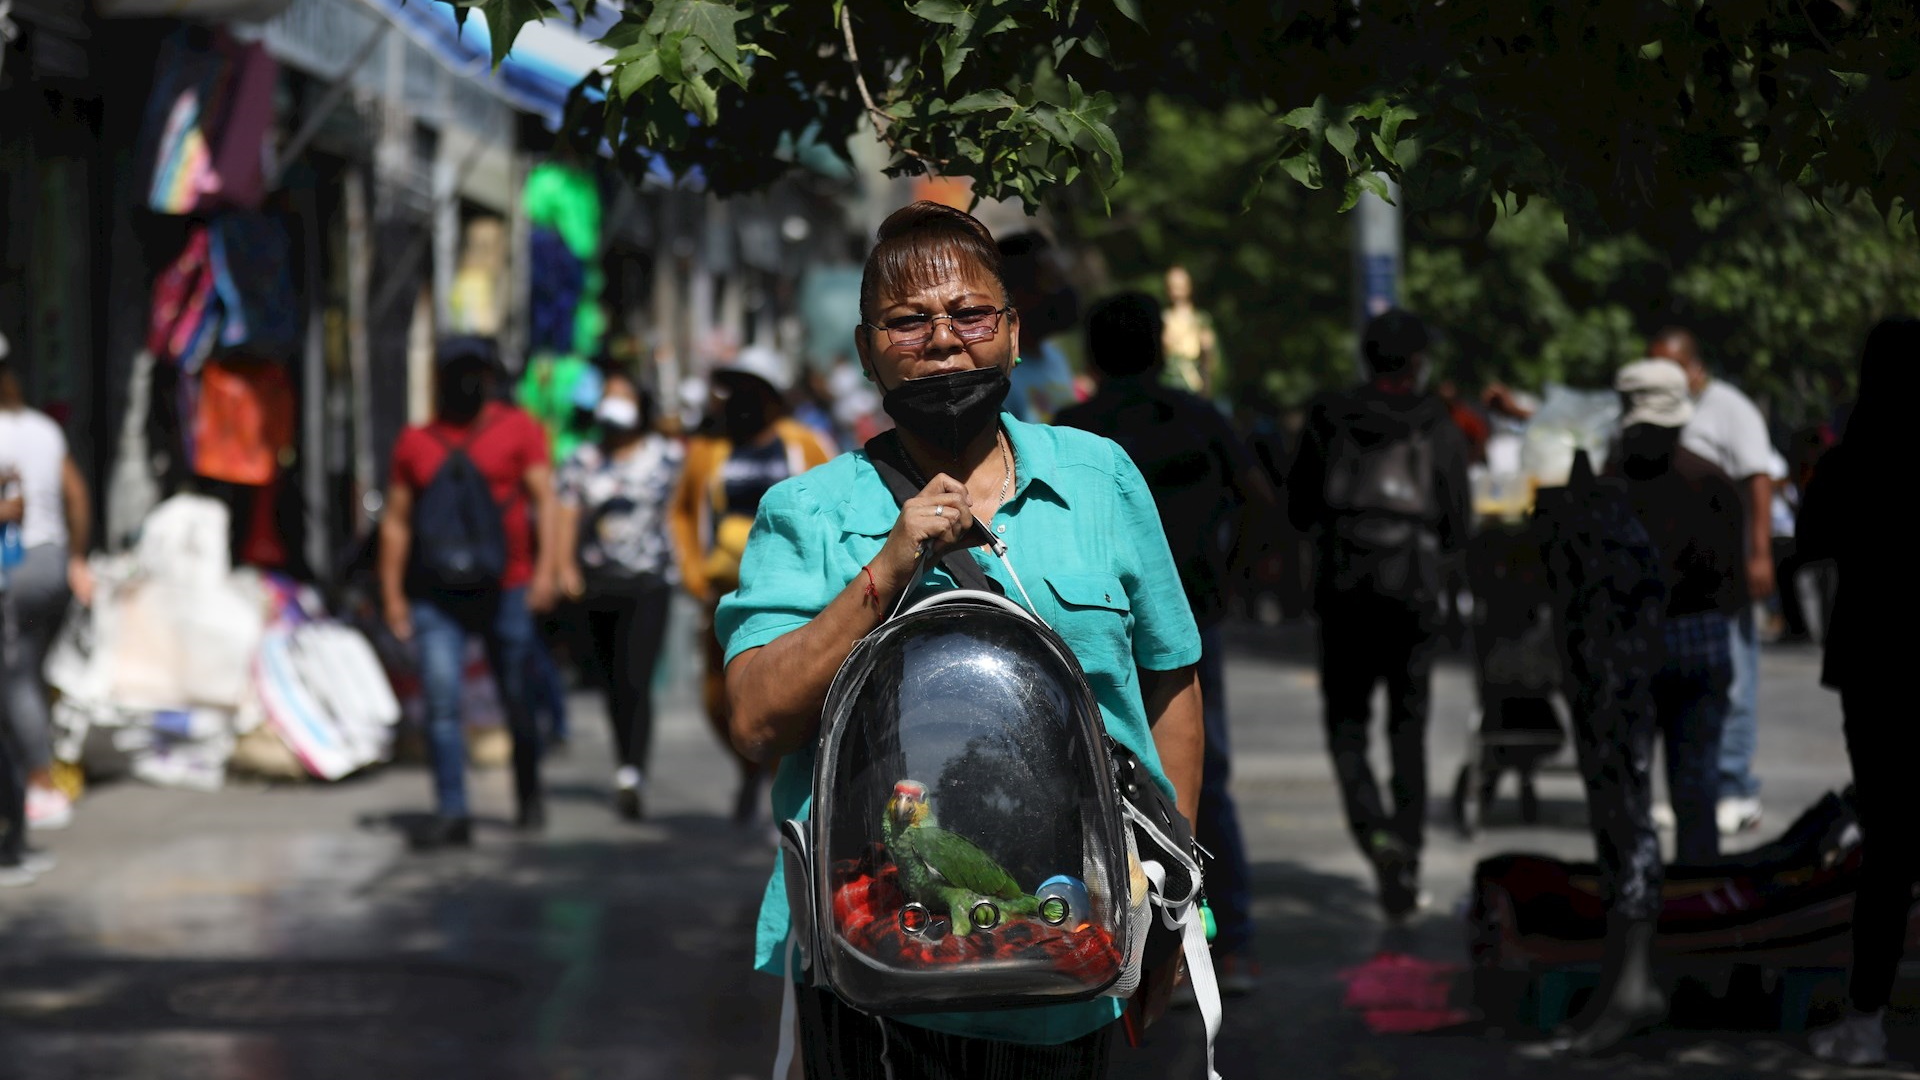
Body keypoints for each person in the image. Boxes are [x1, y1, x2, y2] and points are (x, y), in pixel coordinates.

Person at [717, 202, 1204, 1075]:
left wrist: (1171, 909)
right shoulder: (809, 514)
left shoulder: (1100, 481)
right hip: (871, 981)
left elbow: (1169, 690)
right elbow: (755, 720)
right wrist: (888, 569)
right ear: (867, 352)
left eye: (971, 314)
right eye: (909, 322)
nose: (945, 339)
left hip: (1071, 962)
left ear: (1014, 335)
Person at [1056, 291, 1275, 995]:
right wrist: (1227, 577)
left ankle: (1100, 938)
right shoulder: (1200, 419)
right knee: (1204, 777)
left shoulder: (1074, 430)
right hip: (1187, 620)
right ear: (1159, 347)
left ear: (1093, 354)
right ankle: (1227, 940)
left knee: (1088, 774)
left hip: (1096, 625)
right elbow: (1259, 500)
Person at [1286, 309, 1470, 919]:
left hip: (1344, 591)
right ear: (1417, 362)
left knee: (1347, 727)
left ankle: (1377, 838)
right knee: (1408, 729)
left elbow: (1299, 506)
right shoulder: (1437, 423)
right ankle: (1408, 852)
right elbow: (1457, 520)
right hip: (1413, 594)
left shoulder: (1328, 415)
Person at [380, 337, 559, 849]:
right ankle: (452, 810)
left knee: (517, 698)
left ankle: (529, 793)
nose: (467, 382)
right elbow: (396, 522)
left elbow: (544, 501)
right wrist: (393, 595)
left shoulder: (518, 429)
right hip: (436, 595)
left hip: (508, 585)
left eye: (475, 371)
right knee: (441, 702)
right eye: (457, 371)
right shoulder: (414, 442)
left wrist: (545, 572)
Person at [1798, 316, 1920, 1067]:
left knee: (1892, 845)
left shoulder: (1848, 465)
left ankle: (1867, 1019)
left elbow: (1810, 554)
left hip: (1876, 673)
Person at [668, 345, 833, 825]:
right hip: (725, 592)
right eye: (732, 389)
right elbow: (681, 512)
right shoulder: (708, 453)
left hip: (793, 598)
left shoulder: (804, 444)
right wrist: (693, 572)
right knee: (717, 698)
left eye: (750, 390)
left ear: (773, 397)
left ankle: (783, 784)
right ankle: (749, 767)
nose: (738, 399)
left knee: (787, 694)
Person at [1608, 360, 1743, 865]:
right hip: (1703, 644)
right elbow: (1733, 586)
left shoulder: (1608, 486)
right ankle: (1698, 889)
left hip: (1632, 649)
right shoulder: (1711, 481)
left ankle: (1636, 897)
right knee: (1696, 784)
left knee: (1631, 788)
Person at [1647, 327, 1772, 835]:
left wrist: (1759, 552)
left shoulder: (1728, 408)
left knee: (1736, 674)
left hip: (1728, 561)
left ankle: (1735, 786)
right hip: (1682, 572)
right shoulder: (1660, 415)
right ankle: (1698, 788)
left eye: (1668, 367)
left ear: (1693, 367)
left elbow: (1757, 477)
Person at [555, 370, 684, 822]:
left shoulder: (667, 456)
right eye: (608, 396)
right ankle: (623, 758)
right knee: (611, 683)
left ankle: (634, 771)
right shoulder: (581, 461)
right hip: (599, 585)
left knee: (636, 676)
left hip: (649, 582)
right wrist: (564, 566)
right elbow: (565, 515)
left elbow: (681, 510)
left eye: (623, 395)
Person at [0, 346, 94, 833]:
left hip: (12, 569)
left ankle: (40, 784)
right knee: (27, 672)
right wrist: (76, 557)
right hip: (53, 561)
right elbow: (76, 496)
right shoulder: (42, 429)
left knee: (13, 679)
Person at [996, 231, 1081, 424]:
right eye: (1053, 282)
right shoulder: (1002, 379)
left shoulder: (1053, 355)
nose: (1064, 292)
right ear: (1017, 295)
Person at [1160, 266, 1220, 399]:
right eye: (1172, 285)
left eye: (1180, 285)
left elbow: (1211, 363)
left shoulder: (1201, 319)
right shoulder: (1163, 319)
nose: (1176, 290)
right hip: (1169, 384)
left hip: (1193, 385)